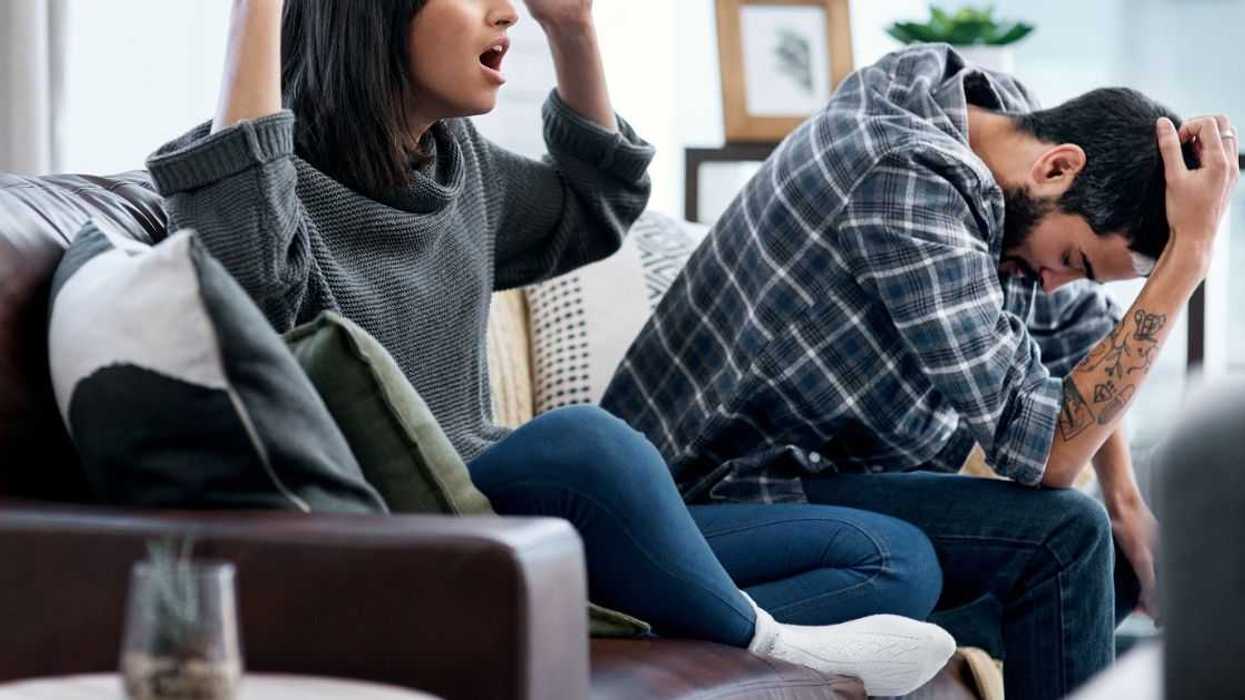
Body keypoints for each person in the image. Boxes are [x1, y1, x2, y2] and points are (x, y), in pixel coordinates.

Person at [144, 1, 956, 694]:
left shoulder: (457, 165)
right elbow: (246, 273)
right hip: (426, 523)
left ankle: (592, 625)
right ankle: (764, 641)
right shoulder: (261, 181)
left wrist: (571, 30)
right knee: (580, 441)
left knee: (895, 560)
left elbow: (596, 206)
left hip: (533, 533)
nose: (505, 11)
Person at [602, 43, 1238, 699]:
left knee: (1119, 557)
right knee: (1063, 537)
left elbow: (1083, 334)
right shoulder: (907, 179)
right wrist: (1184, 263)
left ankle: (921, 636)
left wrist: (1127, 505)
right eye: (1071, 260)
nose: (1053, 287)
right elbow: (1045, 451)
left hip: (816, 481)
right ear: (1056, 168)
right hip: (708, 499)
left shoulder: (1009, 145)